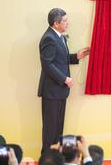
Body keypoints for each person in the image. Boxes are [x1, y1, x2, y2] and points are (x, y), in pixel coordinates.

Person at [38, 8, 89, 153]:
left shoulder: (59, 36)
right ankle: (47, 159)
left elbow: (59, 59)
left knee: (58, 127)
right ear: (56, 23)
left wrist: (76, 57)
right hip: (51, 91)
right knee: (50, 128)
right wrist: (64, 78)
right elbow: (47, 64)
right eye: (65, 21)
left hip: (59, 91)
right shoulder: (49, 38)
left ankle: (55, 157)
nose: (68, 23)